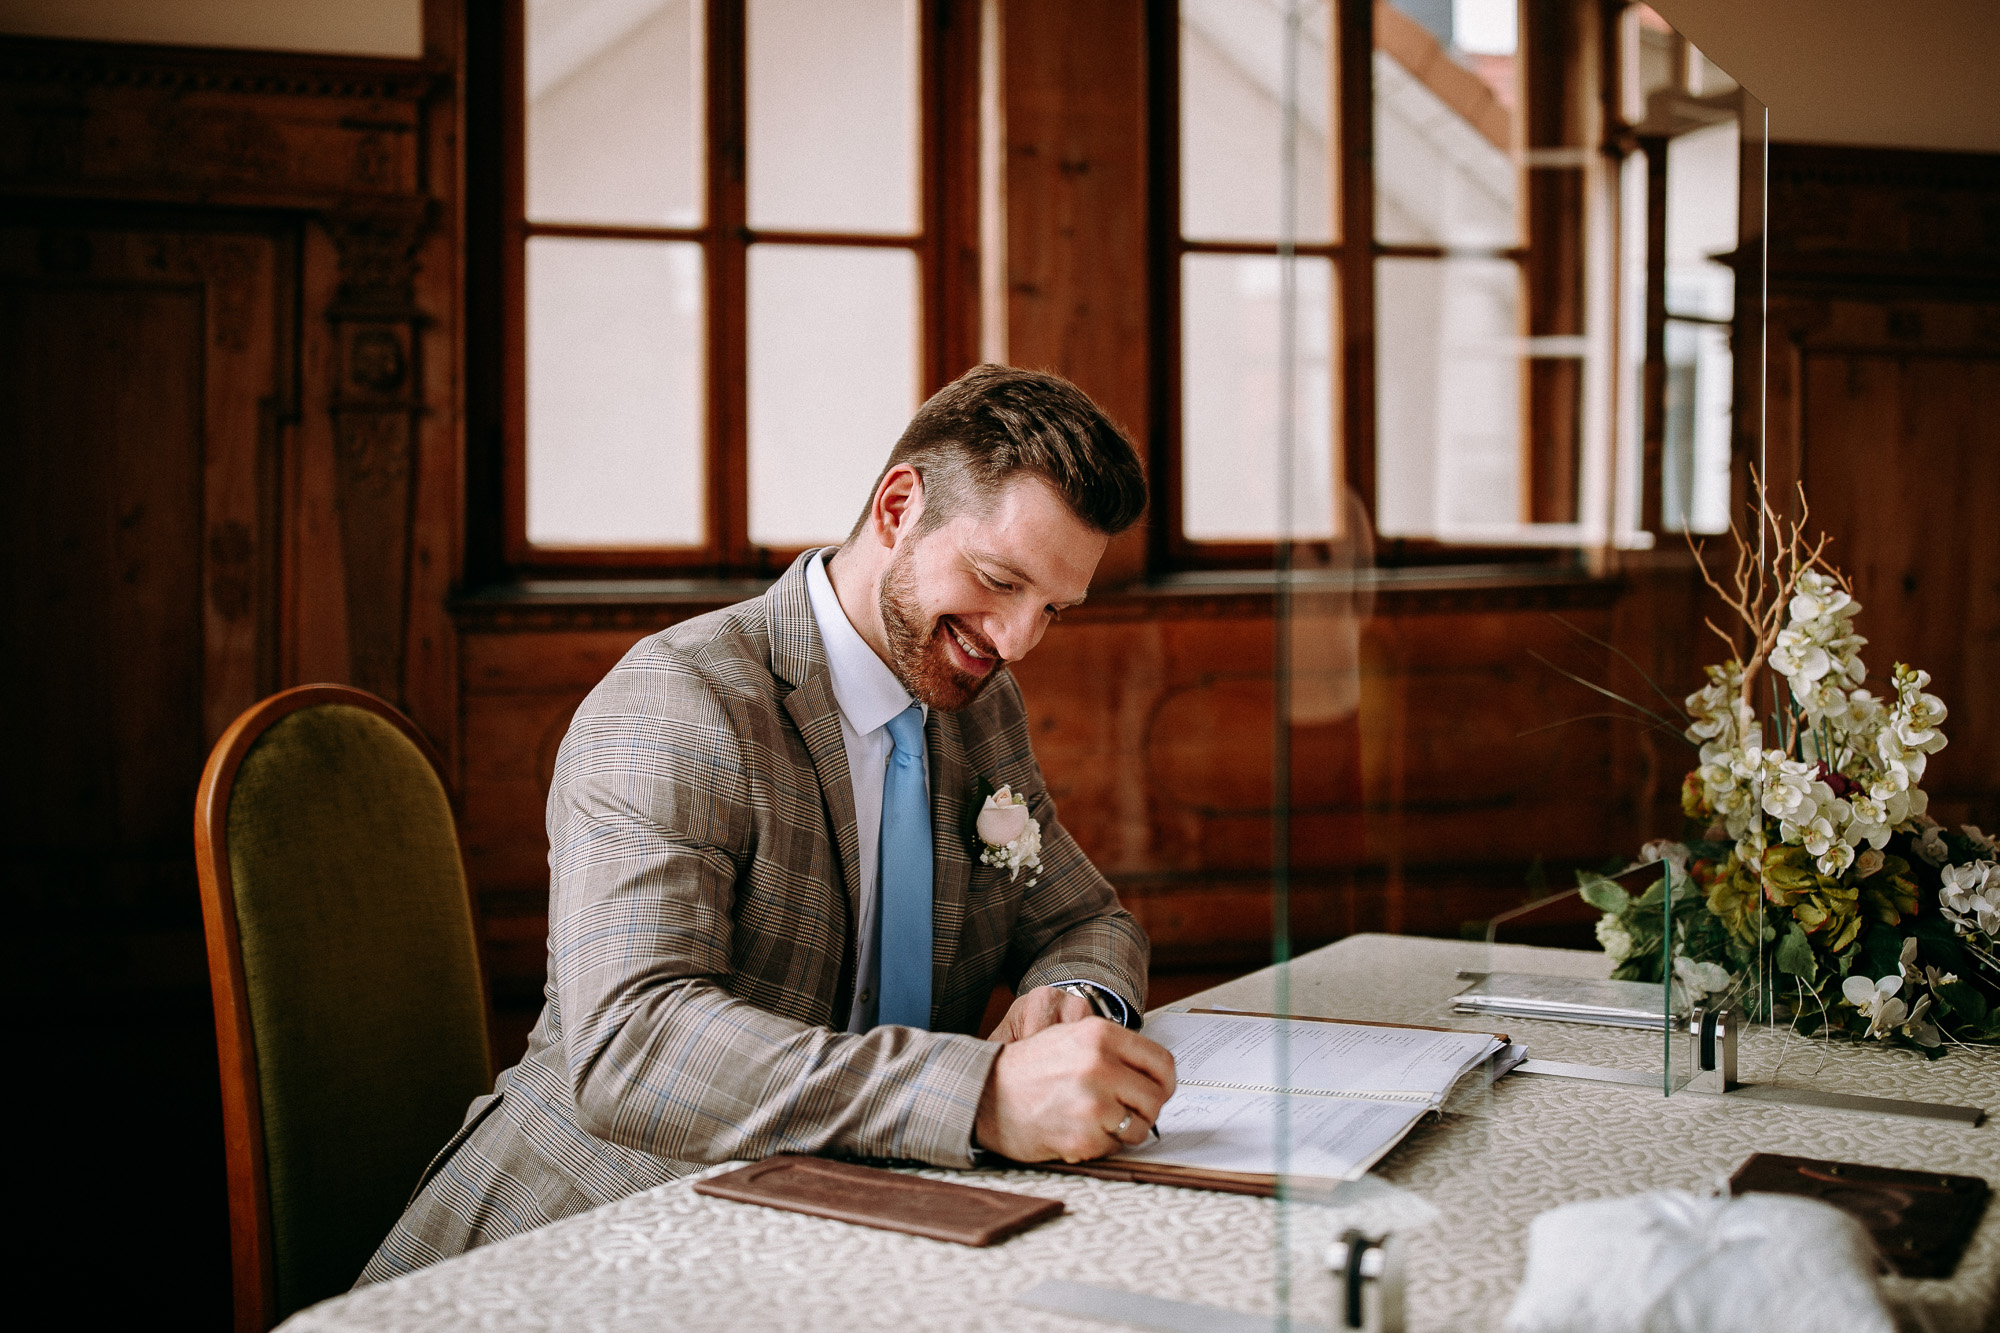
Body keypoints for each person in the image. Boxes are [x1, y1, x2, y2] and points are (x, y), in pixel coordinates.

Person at [358, 365, 1178, 1282]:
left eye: (1053, 610)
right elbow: (631, 1047)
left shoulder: (982, 708)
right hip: (585, 1246)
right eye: (998, 580)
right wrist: (978, 1096)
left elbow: (1086, 920)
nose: (1018, 639)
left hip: (848, 1243)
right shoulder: (678, 699)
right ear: (899, 506)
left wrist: (1072, 1003)